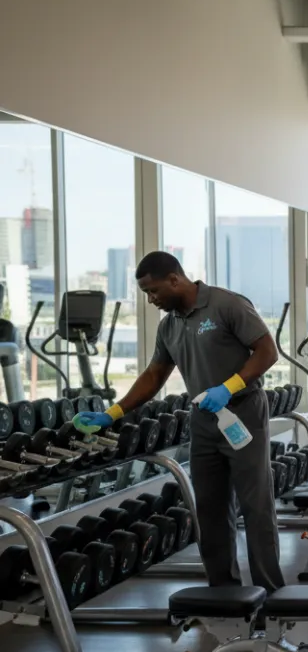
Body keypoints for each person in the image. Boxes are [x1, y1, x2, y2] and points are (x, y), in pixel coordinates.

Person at [74, 251, 286, 592]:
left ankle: (272, 595)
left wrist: (230, 386)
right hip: (203, 419)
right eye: (145, 294)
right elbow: (155, 373)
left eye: (153, 291)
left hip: (243, 413)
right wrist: (112, 414)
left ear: (175, 279)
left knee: (256, 506)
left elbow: (267, 351)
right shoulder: (169, 325)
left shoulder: (226, 304)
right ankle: (224, 594)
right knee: (210, 510)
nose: (151, 299)